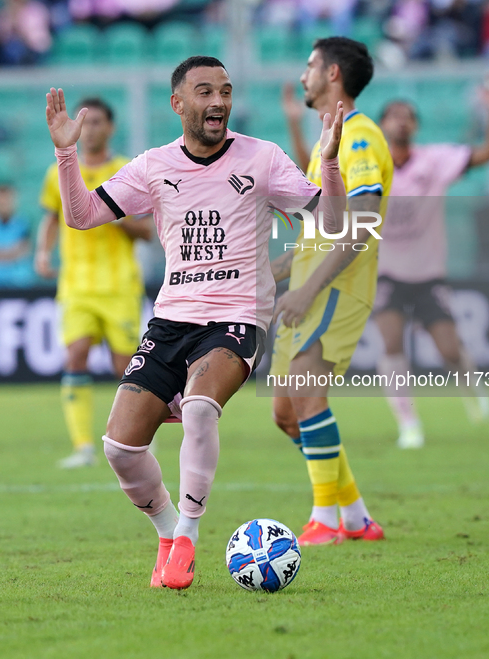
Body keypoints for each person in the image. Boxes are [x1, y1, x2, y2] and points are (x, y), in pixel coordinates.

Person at [44, 55, 347, 589]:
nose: (219, 102)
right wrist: (66, 151)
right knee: (119, 447)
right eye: (205, 92)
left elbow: (334, 222)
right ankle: (164, 531)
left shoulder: (263, 158)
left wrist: (330, 165)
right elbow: (80, 215)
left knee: (202, 408)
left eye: (225, 91)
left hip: (236, 318)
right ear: (178, 104)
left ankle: (186, 537)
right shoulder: (154, 166)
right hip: (170, 322)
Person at [270, 37, 393, 547]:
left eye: (310, 65)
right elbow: (317, 234)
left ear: (334, 73)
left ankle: (325, 519)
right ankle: (358, 518)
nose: (304, 75)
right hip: (313, 284)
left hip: (336, 288)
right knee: (285, 412)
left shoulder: (358, 138)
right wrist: (267, 271)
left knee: (305, 391)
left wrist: (306, 290)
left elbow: (360, 227)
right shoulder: (331, 141)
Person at [375, 81, 489, 449]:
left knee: (449, 350)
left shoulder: (435, 160)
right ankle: (409, 425)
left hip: (428, 273)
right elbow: (316, 165)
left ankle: (472, 389)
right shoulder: (367, 166)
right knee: (391, 343)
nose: (401, 122)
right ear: (381, 124)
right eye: (394, 116)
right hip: (386, 272)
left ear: (415, 126)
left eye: (408, 117)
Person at [36, 97, 151, 469]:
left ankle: (135, 439)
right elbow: (52, 216)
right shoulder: (59, 172)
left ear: (111, 128)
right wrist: (42, 252)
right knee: (75, 355)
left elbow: (147, 231)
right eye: (86, 123)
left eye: (98, 122)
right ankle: (83, 445)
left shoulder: (125, 171)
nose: (91, 130)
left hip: (119, 286)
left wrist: (112, 216)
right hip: (76, 285)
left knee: (125, 366)